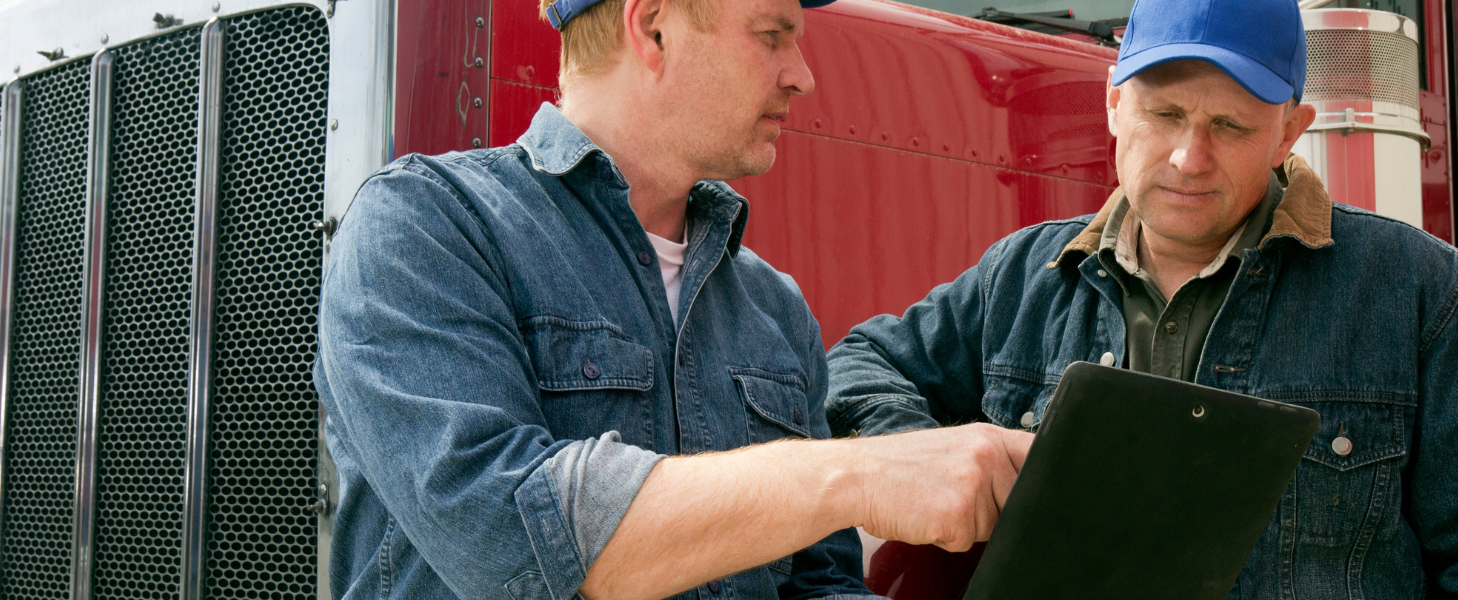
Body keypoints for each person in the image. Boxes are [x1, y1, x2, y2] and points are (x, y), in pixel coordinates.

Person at [823, 0, 1458, 596]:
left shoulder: (1426, 297)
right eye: (1164, 114)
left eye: (1230, 125)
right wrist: (928, 455)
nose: (1190, 157)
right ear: (1113, 104)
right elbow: (852, 366)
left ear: (1289, 131)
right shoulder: (1019, 278)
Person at [312, 0, 1035, 595]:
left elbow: (815, 585)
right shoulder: (424, 226)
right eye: (773, 36)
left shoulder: (773, 309)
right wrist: (859, 473)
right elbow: (509, 536)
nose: (803, 75)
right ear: (653, 27)